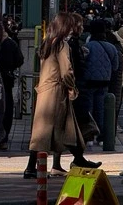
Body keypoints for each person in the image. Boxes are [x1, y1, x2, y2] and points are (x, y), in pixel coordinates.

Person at [24, 13, 100, 179]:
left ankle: (43, 166)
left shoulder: (47, 44)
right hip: (57, 92)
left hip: (44, 90)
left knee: (44, 131)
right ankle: (35, 167)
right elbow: (66, 71)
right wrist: (72, 87)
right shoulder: (62, 45)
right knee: (58, 130)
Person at [80, 19, 119, 145]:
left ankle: (90, 136)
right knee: (101, 110)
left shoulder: (87, 47)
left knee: (88, 109)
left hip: (89, 81)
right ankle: (102, 137)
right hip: (104, 82)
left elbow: (82, 63)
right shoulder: (111, 47)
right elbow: (115, 66)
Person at [0, 18, 24, 150]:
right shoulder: (11, 43)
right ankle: (4, 138)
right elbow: (20, 60)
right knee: (7, 108)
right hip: (7, 80)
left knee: (0, 107)